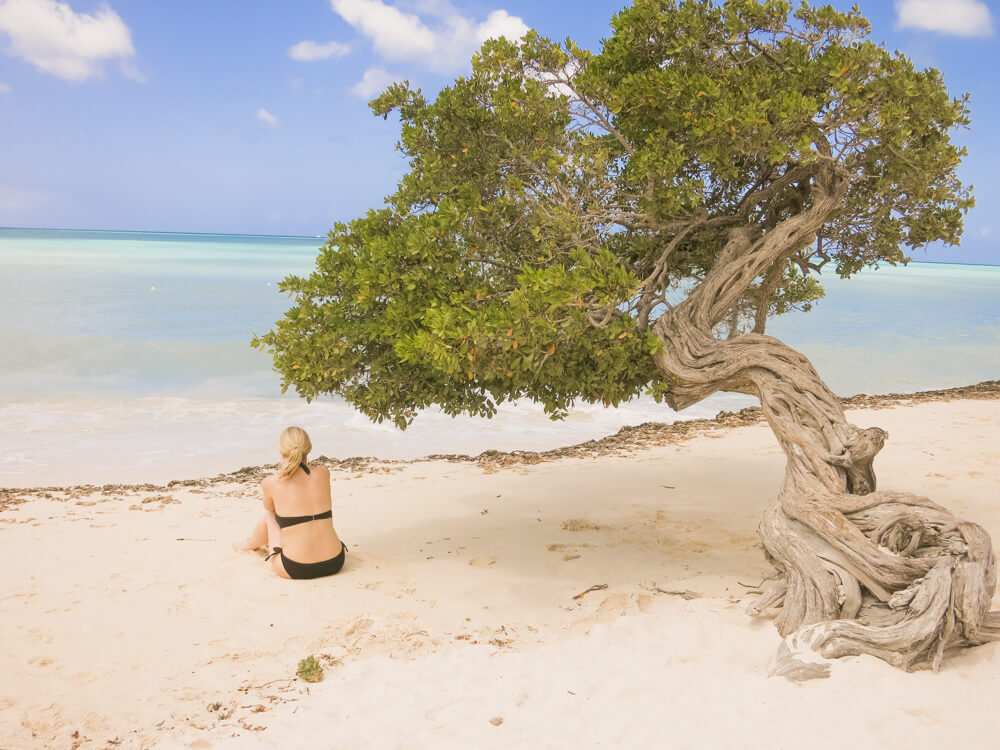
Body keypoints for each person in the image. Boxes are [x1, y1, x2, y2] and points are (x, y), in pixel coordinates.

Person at [237, 426, 347, 579]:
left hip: (296, 567)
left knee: (269, 516)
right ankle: (254, 544)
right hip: (335, 561)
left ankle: (250, 545)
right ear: (309, 449)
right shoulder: (323, 472)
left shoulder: (272, 482)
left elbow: (270, 508)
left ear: (281, 451)